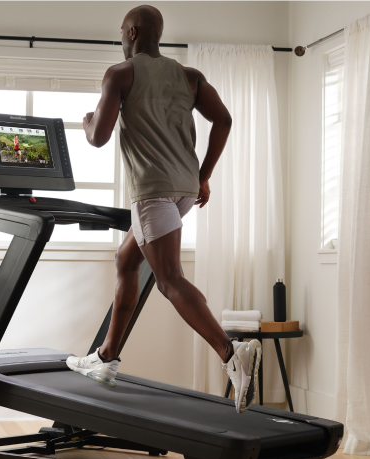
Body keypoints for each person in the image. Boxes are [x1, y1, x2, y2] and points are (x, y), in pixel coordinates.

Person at [66, 5, 261, 413]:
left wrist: (87, 121)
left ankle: (231, 353)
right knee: (126, 261)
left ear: (133, 32)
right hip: (184, 189)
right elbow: (223, 120)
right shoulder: (190, 77)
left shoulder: (121, 74)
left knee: (169, 278)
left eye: (122, 31)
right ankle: (105, 359)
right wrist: (204, 174)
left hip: (152, 191)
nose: (121, 39)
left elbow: (98, 138)